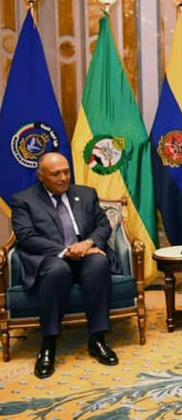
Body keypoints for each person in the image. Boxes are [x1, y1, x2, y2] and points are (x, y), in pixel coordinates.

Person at [10, 152, 121, 379]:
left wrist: (88, 243)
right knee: (57, 270)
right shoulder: (24, 200)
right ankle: (48, 344)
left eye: (66, 172)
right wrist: (67, 251)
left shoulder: (86, 194)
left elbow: (103, 225)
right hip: (51, 256)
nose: (63, 178)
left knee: (99, 262)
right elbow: (26, 236)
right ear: (41, 176)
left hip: (87, 252)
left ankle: (97, 338)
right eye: (55, 174)